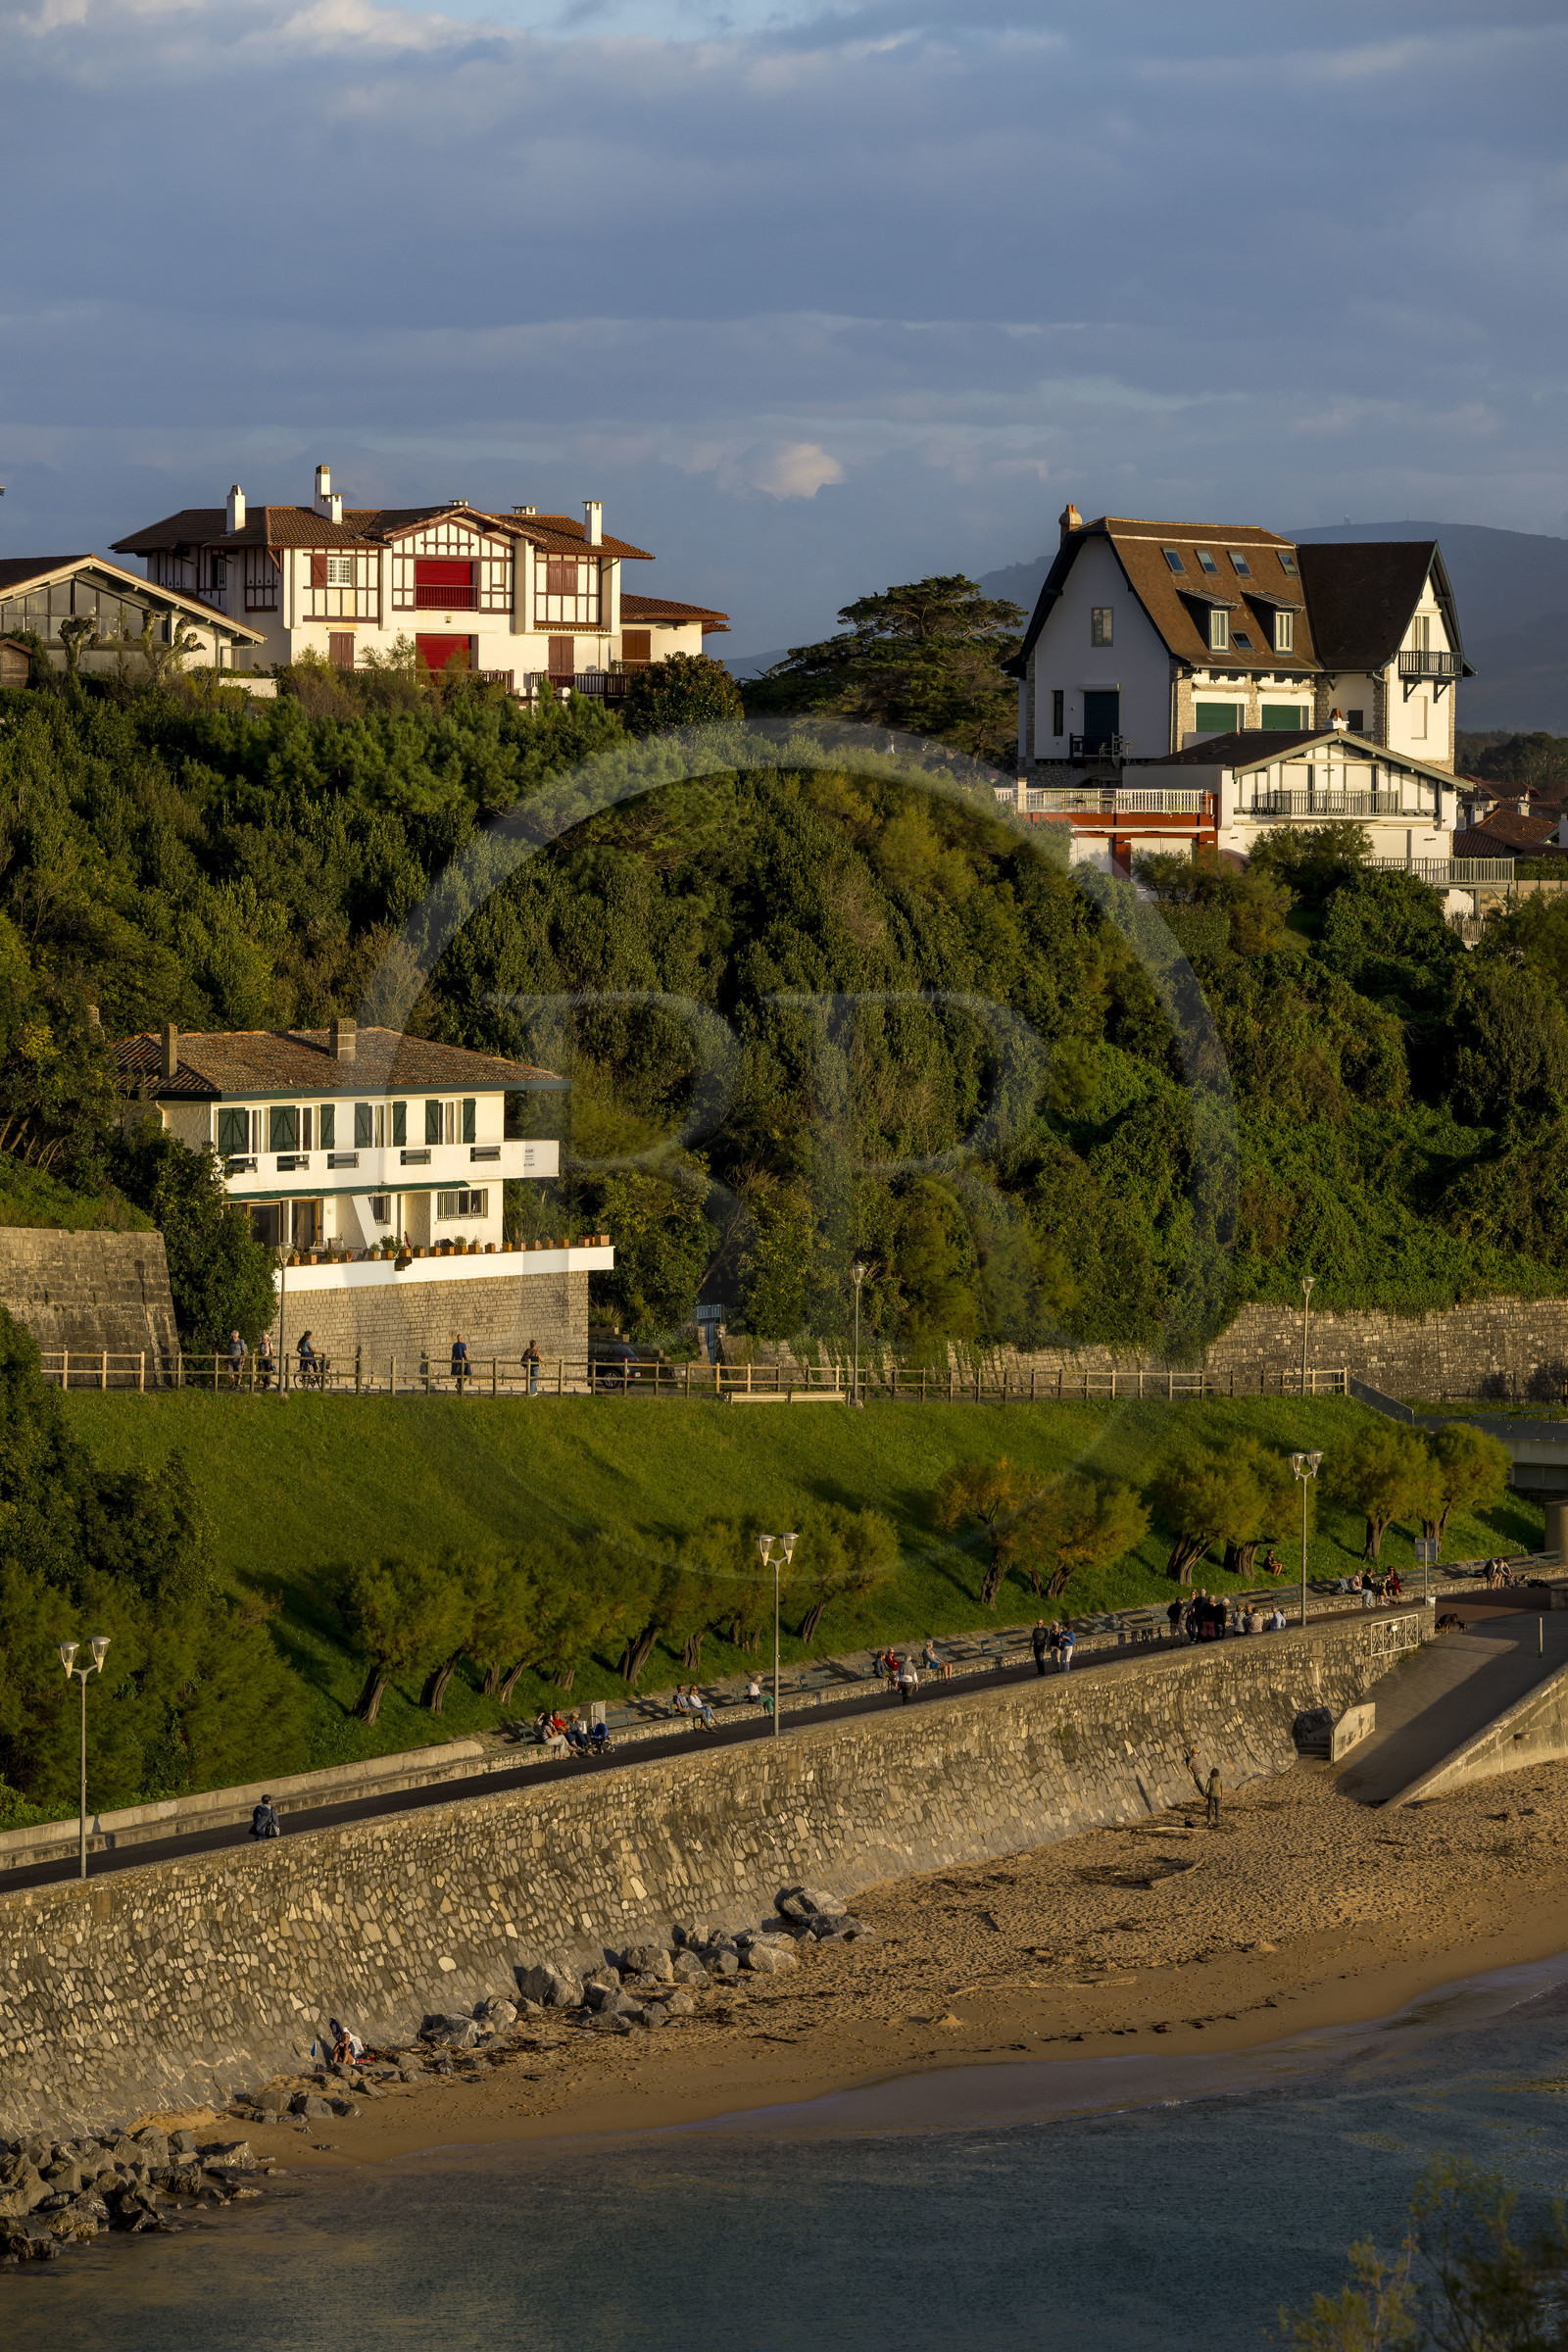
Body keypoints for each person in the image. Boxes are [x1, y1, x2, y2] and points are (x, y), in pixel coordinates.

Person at [1186, 1748, 1222, 1828]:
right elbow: (1188, 1766)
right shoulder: (1191, 1759)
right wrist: (1191, 1772)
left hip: (1201, 1774)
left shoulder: (1195, 1758)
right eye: (1195, 1753)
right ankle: (1207, 1795)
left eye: (1196, 1753)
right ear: (1192, 1753)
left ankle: (1212, 1819)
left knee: (1206, 1784)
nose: (1196, 1754)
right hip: (1198, 1774)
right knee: (1204, 1785)